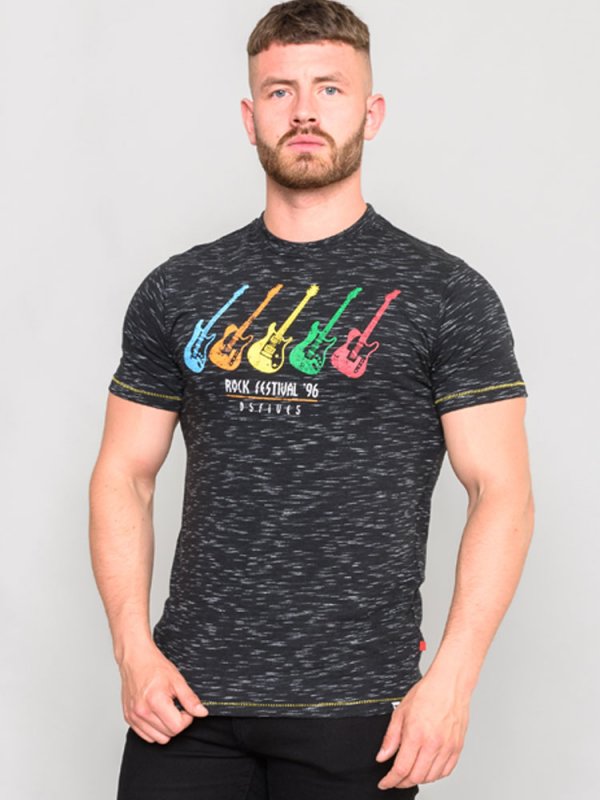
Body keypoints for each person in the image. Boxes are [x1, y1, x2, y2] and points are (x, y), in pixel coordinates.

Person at [88, 1, 535, 797]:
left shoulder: (445, 294)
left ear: (372, 112)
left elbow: (502, 490)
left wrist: (453, 682)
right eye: (279, 91)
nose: (303, 112)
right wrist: (132, 651)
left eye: (329, 89)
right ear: (249, 117)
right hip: (185, 707)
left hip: (360, 713)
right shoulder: (179, 288)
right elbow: (124, 472)